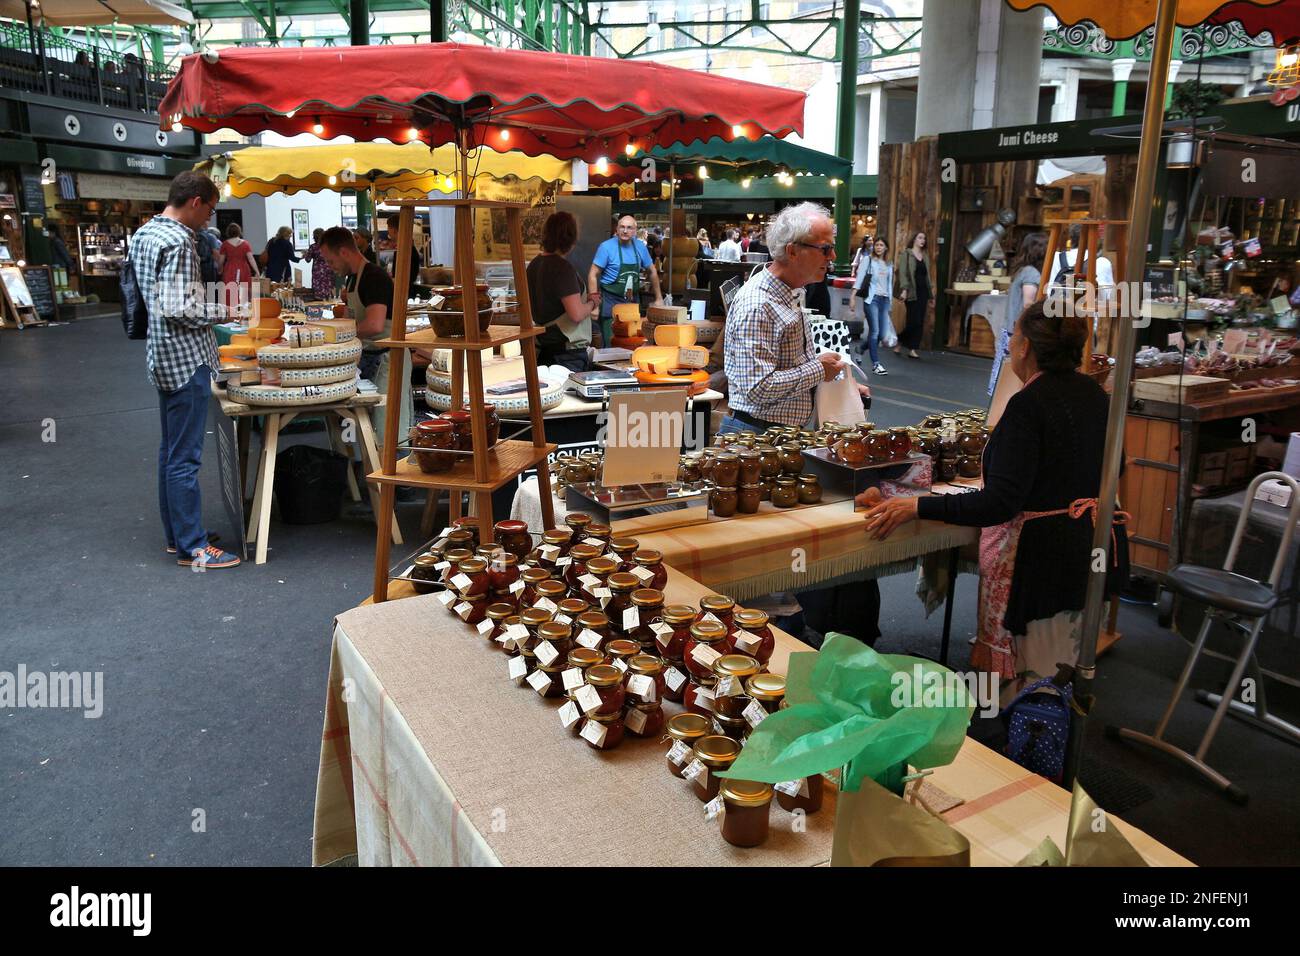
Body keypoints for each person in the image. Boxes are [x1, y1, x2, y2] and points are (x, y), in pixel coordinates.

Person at [865, 301, 1120, 693]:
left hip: (1035, 560)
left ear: (1026, 348)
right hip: (1084, 547)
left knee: (1027, 676)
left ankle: (1020, 742)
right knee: (1063, 664)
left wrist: (917, 505)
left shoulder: (1028, 406)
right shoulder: (1095, 395)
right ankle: (1050, 731)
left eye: (1014, 335)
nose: (1010, 343)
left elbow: (998, 503)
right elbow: (1114, 469)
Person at [129, 171, 239, 570]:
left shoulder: (145, 234)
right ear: (195, 201)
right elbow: (179, 307)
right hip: (186, 358)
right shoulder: (178, 241)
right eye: (209, 209)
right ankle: (194, 545)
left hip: (161, 355)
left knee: (171, 452)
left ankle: (178, 536)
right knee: (185, 457)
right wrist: (223, 310)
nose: (209, 219)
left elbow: (151, 302)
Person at [721, 201, 867, 434]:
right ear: (792, 251)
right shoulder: (759, 305)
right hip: (755, 438)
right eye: (825, 249)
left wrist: (841, 386)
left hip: (772, 434)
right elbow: (758, 388)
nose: (833, 256)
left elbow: (789, 364)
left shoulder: (787, 292)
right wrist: (819, 370)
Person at [318, 226, 411, 453]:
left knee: (389, 426)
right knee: (373, 428)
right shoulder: (352, 279)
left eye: (331, 261)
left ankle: (400, 484)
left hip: (390, 358)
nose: (331, 268)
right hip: (370, 358)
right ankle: (377, 481)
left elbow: (374, 324)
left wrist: (337, 335)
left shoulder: (373, 276)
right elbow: (354, 318)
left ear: (344, 252)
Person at [527, 211, 593, 373]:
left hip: (544, 349)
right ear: (571, 238)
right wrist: (593, 303)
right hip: (567, 355)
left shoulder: (534, 265)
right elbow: (576, 314)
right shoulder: (562, 268)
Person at [587, 214, 662, 348]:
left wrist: (659, 298)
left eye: (629, 228)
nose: (625, 230)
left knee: (633, 344)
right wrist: (594, 305)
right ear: (617, 229)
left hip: (632, 303)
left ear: (635, 230)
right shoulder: (606, 247)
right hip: (611, 302)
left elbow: (652, 271)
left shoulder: (640, 247)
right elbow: (593, 274)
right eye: (622, 227)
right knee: (612, 345)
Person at [989, 232, 1046, 396]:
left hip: (1010, 331)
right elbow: (1028, 302)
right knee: (1010, 384)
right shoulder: (1031, 273)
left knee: (1003, 382)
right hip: (1018, 333)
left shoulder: (1022, 270)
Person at [852, 237, 893, 376]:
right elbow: (859, 280)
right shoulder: (868, 260)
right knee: (874, 332)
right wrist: (852, 297)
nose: (879, 247)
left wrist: (890, 303)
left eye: (882, 245)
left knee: (881, 334)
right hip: (872, 300)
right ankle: (876, 364)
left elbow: (889, 284)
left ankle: (861, 349)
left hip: (885, 299)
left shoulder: (888, 263)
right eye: (877, 245)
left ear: (886, 247)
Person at [1046, 222, 1114, 298]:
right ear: (1095, 238)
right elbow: (1107, 297)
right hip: (1087, 308)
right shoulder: (1102, 263)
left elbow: (1048, 291)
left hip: (1057, 308)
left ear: (1071, 237)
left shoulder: (1056, 257)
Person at [896, 231, 931, 360]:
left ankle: (912, 349)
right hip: (912, 291)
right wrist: (904, 289)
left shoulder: (925, 256)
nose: (923, 240)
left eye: (924, 238)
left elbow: (927, 277)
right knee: (913, 320)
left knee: (920, 321)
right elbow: (903, 273)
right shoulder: (907, 254)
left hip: (923, 292)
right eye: (920, 237)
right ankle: (899, 341)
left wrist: (931, 295)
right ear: (914, 240)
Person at [217, 222, 258, 315]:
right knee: (244, 291)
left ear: (228, 232)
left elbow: (221, 260)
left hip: (230, 269)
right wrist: (257, 271)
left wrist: (219, 269)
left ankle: (231, 313)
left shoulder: (225, 244)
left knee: (230, 291)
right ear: (239, 231)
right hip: (243, 268)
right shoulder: (245, 244)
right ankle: (245, 313)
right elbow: (251, 258)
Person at [385, 214, 423, 298]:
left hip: (404, 296)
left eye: (389, 229)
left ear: (394, 230)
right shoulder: (406, 249)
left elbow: (403, 278)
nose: (388, 232)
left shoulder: (406, 251)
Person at [302, 227, 338, 301]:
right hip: (329, 269)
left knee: (318, 289)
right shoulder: (329, 245)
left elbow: (308, 259)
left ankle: (319, 305)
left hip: (318, 271)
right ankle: (329, 302)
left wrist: (305, 254)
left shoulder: (313, 247)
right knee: (328, 287)